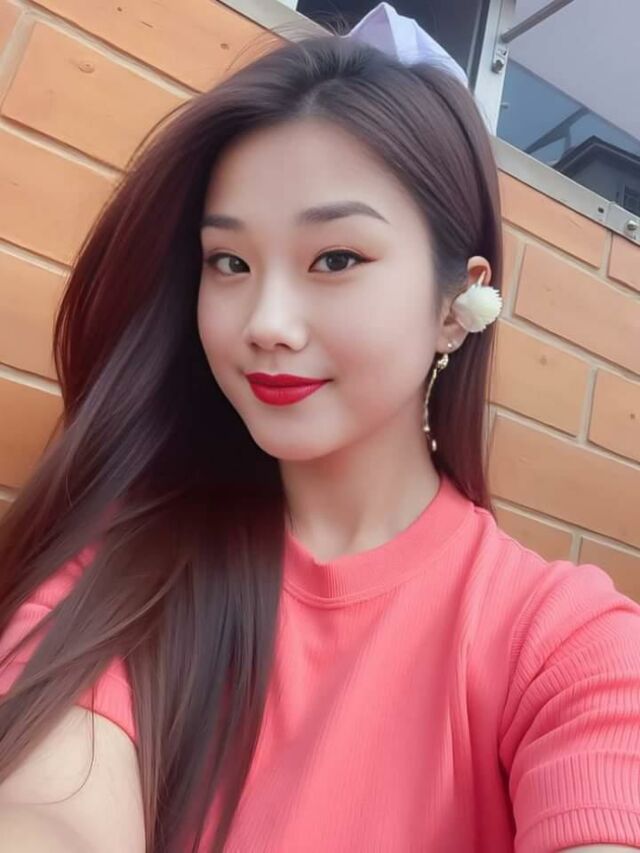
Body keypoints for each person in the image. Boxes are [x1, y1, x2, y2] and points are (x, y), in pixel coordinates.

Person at [0, 4, 639, 852]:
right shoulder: (125, 570)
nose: (266, 322)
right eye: (229, 262)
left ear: (458, 303)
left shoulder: (562, 641)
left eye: (336, 258)